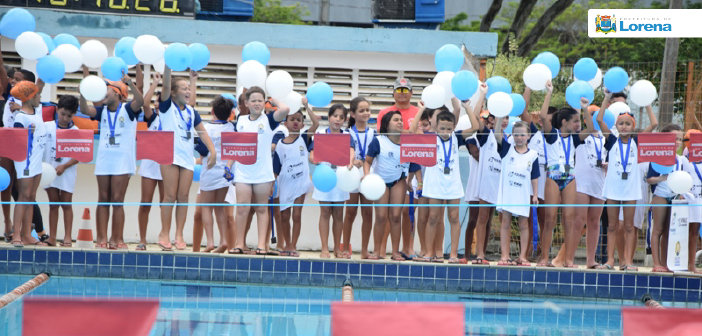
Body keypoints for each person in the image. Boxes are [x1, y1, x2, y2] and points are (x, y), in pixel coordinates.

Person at [79, 72, 143, 249]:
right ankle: (101, 239)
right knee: (103, 198)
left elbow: (141, 101)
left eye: (107, 90)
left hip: (122, 160)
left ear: (117, 93)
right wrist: (83, 93)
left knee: (117, 200)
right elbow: (85, 110)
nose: (103, 93)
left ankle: (117, 239)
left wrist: (130, 83)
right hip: (105, 159)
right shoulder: (102, 111)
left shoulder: (128, 109)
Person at [597, 90, 658, 271]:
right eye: (621, 124)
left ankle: (628, 262)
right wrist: (607, 97)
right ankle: (610, 261)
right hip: (614, 188)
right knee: (612, 225)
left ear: (633, 126)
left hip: (631, 189)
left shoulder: (637, 142)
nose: (624, 127)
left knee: (630, 226)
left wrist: (646, 101)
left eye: (627, 124)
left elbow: (654, 123)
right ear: (616, 125)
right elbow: (600, 120)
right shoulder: (612, 141)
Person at [537, 81, 596, 268]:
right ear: (564, 122)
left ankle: (569, 260)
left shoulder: (575, 139)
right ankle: (544, 258)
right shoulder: (552, 134)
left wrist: (585, 109)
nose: (579, 125)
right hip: (553, 176)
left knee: (569, 220)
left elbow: (592, 129)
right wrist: (549, 92)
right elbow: (541, 116)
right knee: (550, 219)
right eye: (575, 121)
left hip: (570, 178)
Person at [224, 86, 289, 255]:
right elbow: (236, 146)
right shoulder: (241, 120)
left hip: (263, 173)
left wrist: (273, 100)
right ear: (246, 103)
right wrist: (229, 165)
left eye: (261, 100)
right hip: (243, 172)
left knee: (261, 208)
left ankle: (261, 245)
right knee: (242, 208)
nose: (257, 103)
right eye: (253, 100)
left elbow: (286, 109)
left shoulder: (269, 120)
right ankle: (240, 244)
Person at [158, 66, 216, 251]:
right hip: (169, 155)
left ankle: (179, 233)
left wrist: (213, 151)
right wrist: (168, 65)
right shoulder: (167, 106)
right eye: (183, 88)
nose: (187, 91)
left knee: (183, 196)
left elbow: (203, 132)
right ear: (173, 93)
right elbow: (166, 85)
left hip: (186, 158)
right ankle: (164, 233)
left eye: (188, 89)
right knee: (169, 195)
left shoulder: (191, 111)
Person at [413, 102, 479, 263]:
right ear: (435, 126)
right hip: (434, 183)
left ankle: (454, 255)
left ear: (454, 127)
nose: (445, 132)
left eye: (449, 129)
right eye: (442, 128)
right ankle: (429, 253)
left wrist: (467, 107)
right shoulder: (430, 138)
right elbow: (411, 131)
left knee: (454, 217)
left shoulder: (456, 138)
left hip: (453, 184)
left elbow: (475, 127)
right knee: (433, 218)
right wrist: (421, 109)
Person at [555, 105, 609, 269]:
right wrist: (585, 108)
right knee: (578, 222)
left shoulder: (606, 138)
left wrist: (608, 165)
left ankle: (590, 260)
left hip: (599, 182)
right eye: (591, 115)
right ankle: (567, 259)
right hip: (581, 183)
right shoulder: (580, 136)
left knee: (594, 222)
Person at [1, 66, 47, 244]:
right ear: (30, 97)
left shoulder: (37, 111)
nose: (40, 97)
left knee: (31, 197)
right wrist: (28, 133)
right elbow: (18, 140)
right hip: (26, 161)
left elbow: (39, 85)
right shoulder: (20, 116)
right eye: (38, 95)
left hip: (36, 159)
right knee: (23, 196)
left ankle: (28, 234)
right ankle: (17, 235)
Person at [273, 97, 319, 257]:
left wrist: (306, 106)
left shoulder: (304, 138)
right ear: (285, 123)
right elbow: (276, 166)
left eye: (298, 120)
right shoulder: (280, 144)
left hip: (301, 183)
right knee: (284, 215)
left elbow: (316, 124)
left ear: (302, 124)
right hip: (285, 183)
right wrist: (273, 182)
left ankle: (293, 245)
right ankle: (286, 244)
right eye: (292, 119)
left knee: (297, 214)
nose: (295, 122)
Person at [364, 111, 412, 261]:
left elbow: (412, 163)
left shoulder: (407, 141)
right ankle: (377, 251)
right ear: (387, 124)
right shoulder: (378, 141)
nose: (400, 122)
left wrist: (411, 180)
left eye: (401, 120)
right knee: (381, 217)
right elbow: (368, 161)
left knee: (396, 216)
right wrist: (367, 175)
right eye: (395, 120)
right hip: (380, 182)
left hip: (399, 181)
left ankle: (395, 252)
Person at [309, 104, 355, 258]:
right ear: (329, 117)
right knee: (325, 212)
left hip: (341, 177)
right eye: (335, 116)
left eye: (341, 117)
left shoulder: (347, 135)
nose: (338, 119)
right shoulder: (320, 134)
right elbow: (311, 155)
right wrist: (316, 160)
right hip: (324, 177)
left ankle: (337, 249)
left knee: (338, 213)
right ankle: (324, 248)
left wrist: (350, 161)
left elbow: (351, 153)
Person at [493, 117, 540, 266]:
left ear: (528, 136)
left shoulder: (533, 154)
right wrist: (499, 119)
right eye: (516, 135)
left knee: (524, 224)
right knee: (505, 222)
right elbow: (497, 135)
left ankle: (523, 257)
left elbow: (534, 177)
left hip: (523, 194)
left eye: (522, 135)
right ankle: (504, 256)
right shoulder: (506, 150)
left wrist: (536, 195)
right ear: (512, 135)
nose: (519, 138)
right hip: (508, 193)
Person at [195, 96, 236, 255]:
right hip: (225, 173)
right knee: (219, 208)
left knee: (206, 207)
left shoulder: (206, 128)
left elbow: (203, 152)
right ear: (230, 114)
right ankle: (224, 239)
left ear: (212, 112)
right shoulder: (232, 128)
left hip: (209, 171)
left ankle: (210, 241)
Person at [647, 124, 686, 273]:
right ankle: (656, 264)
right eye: (674, 138)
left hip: (675, 197)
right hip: (661, 196)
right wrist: (662, 178)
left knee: (670, 231)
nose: (677, 142)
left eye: (680, 139)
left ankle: (666, 263)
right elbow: (649, 179)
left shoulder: (681, 159)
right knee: (658, 229)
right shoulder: (657, 158)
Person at [43, 95, 80, 247]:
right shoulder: (47, 126)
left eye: (69, 116)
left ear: (74, 115)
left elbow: (79, 155)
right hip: (50, 170)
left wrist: (65, 166)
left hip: (67, 171)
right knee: (53, 204)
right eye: (62, 114)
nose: (65, 118)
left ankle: (67, 237)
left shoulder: (76, 131)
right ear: (57, 110)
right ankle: (52, 237)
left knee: (66, 204)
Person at [342, 96, 374, 258]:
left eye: (367, 110)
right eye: (361, 110)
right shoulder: (347, 133)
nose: (366, 113)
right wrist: (352, 161)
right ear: (353, 114)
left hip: (368, 175)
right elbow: (343, 153)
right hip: (351, 174)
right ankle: (346, 248)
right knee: (351, 211)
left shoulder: (374, 133)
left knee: (368, 213)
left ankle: (364, 250)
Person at [136, 73, 165, 251]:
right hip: (149, 166)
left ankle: (164, 238)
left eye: (160, 102)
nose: (156, 104)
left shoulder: (174, 119)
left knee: (165, 204)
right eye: (157, 102)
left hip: (167, 166)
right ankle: (143, 240)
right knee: (145, 202)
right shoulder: (153, 118)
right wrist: (155, 82)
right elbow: (144, 103)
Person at [683, 152, 702, 274]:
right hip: (687, 199)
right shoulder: (685, 161)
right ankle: (687, 264)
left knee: (695, 233)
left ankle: (691, 265)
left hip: (699, 200)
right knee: (686, 232)